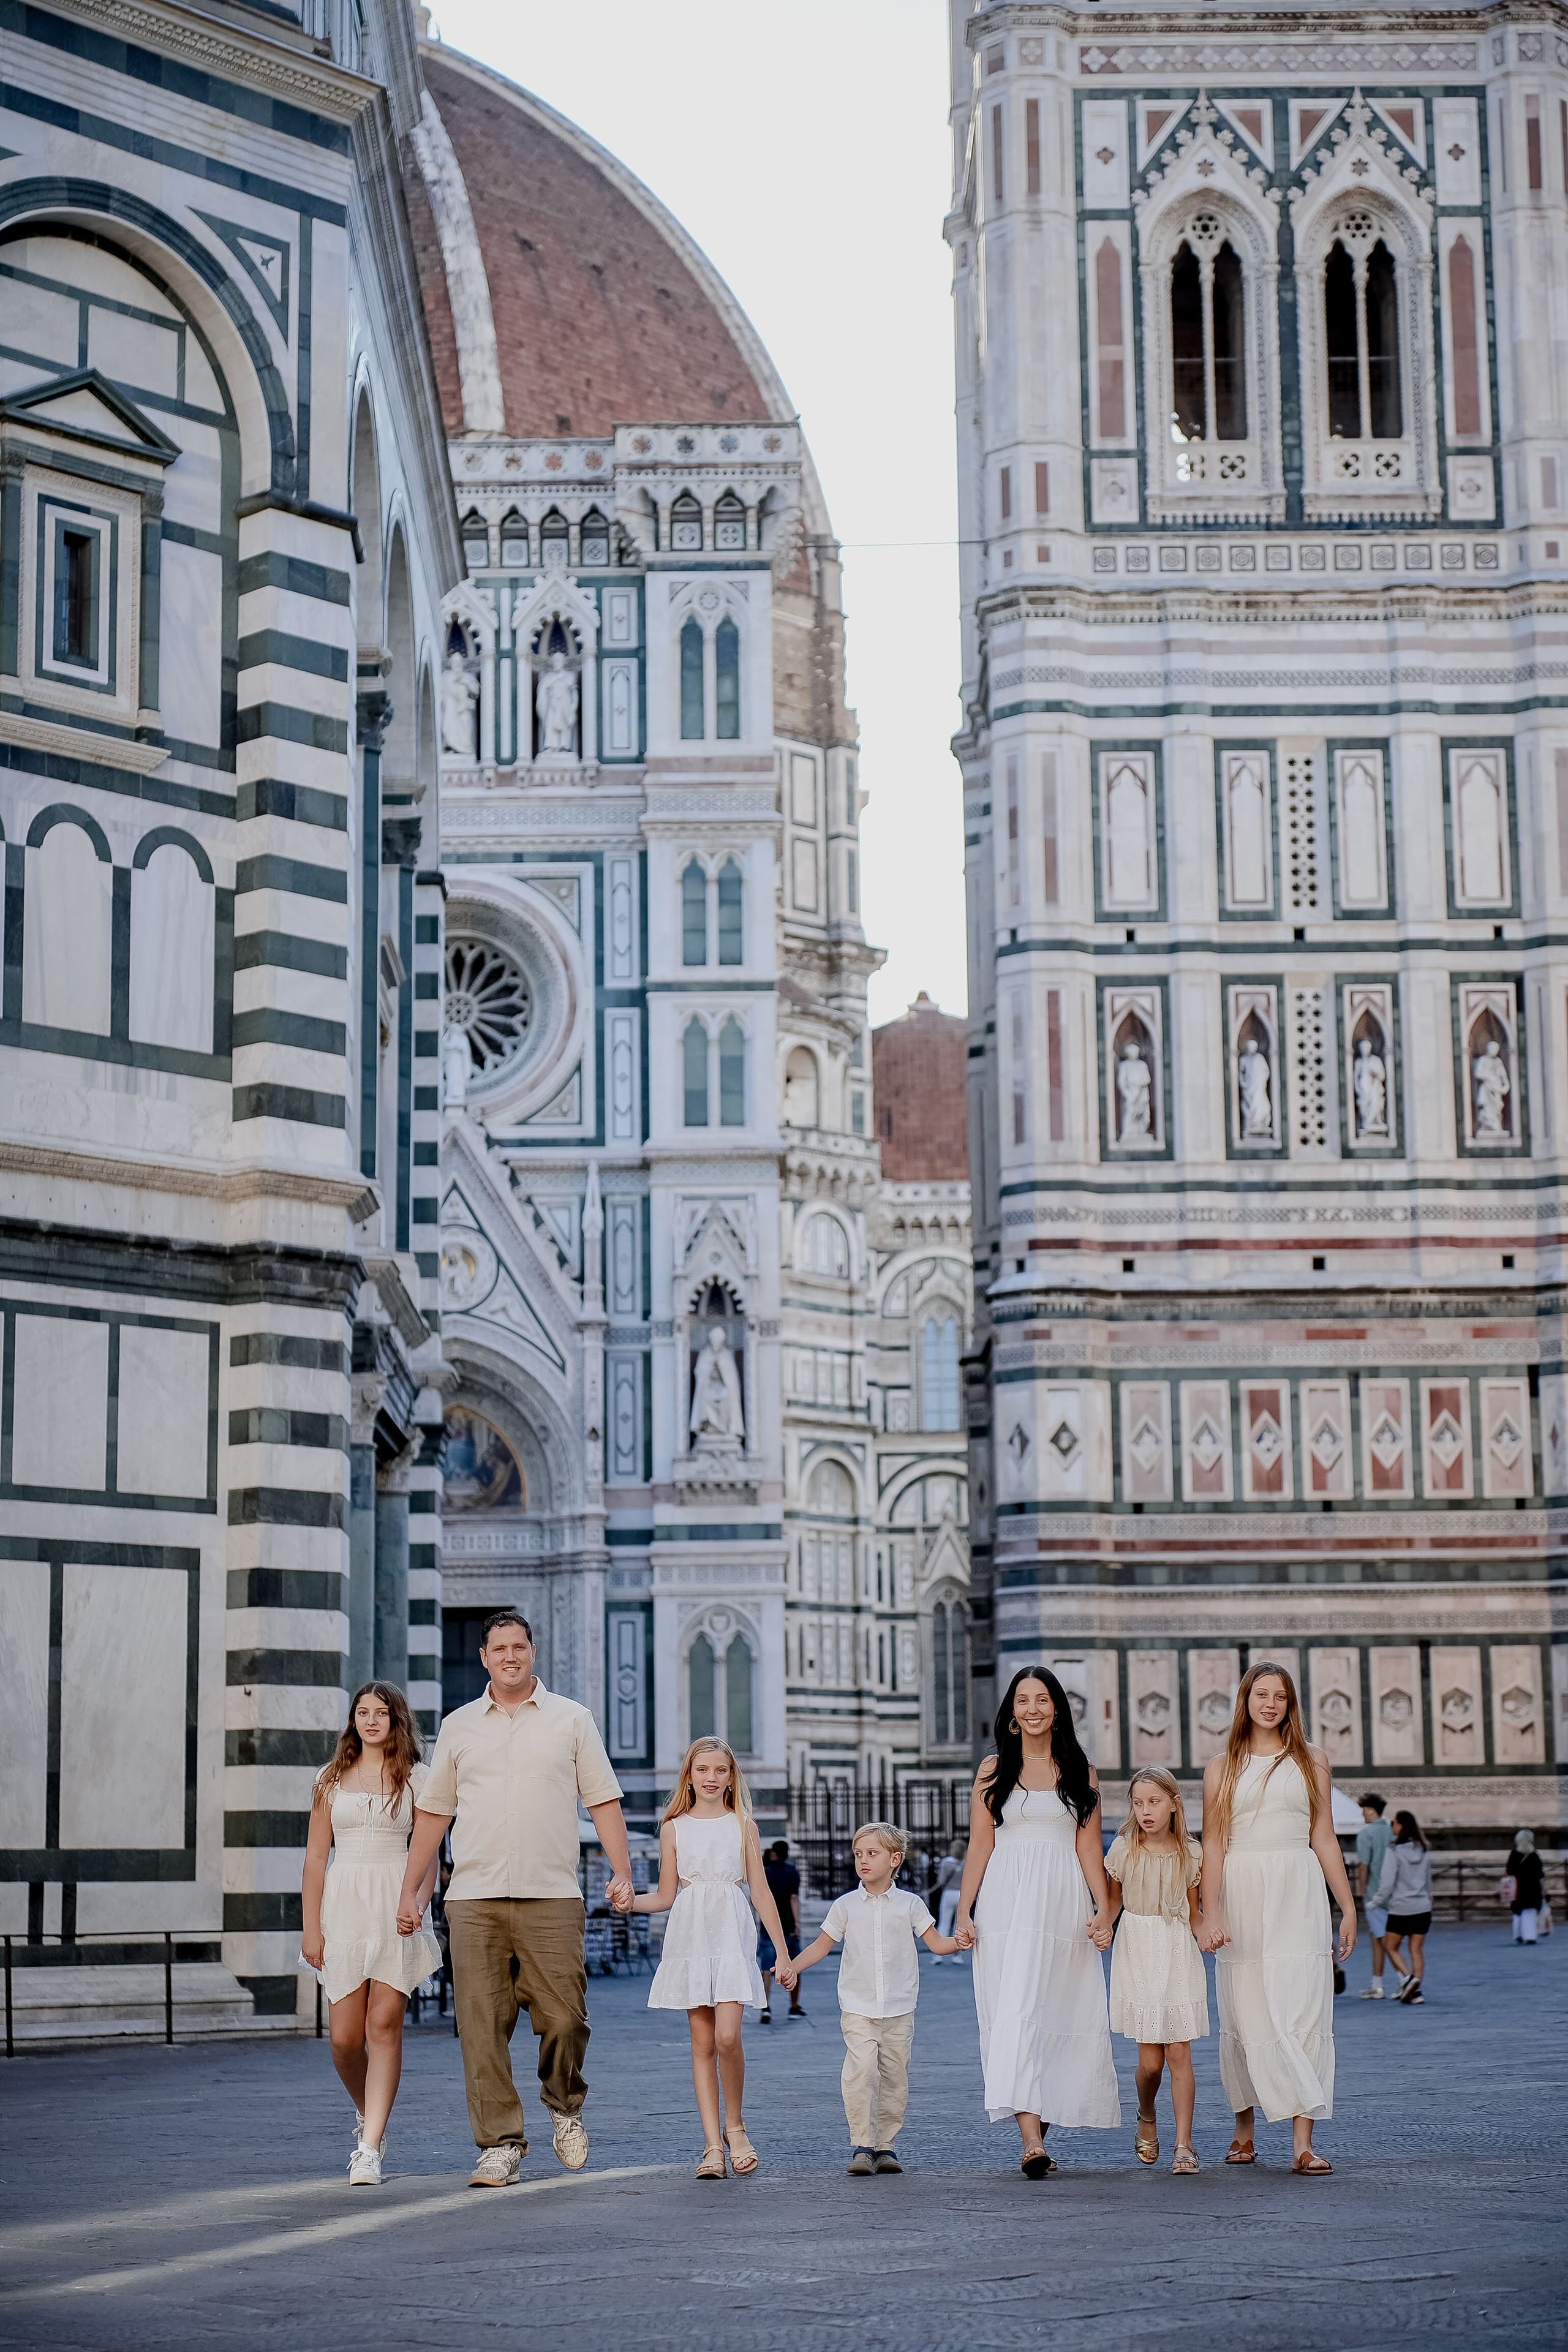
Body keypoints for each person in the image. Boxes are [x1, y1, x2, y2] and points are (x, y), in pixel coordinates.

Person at [395, 1610, 634, 2187]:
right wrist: (410, 1890)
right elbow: (434, 1812)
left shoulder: (572, 1720)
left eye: (519, 1647)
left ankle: (564, 2103)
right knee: (480, 2024)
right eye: (499, 1647)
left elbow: (603, 1800)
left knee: (566, 2018)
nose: (509, 1656)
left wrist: (623, 1873)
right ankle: (500, 2144)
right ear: (484, 1657)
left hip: (552, 1894)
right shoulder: (458, 1727)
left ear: (532, 1652)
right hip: (473, 1898)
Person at [952, 1667, 1120, 2177]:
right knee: (1016, 2010)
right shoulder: (992, 1769)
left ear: (1056, 1709)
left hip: (1064, 1903)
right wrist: (965, 1909)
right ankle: (1030, 2141)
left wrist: (1104, 1909)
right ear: (1011, 1712)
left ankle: (1038, 2122)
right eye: (1023, 1700)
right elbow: (981, 1844)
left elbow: (1089, 1847)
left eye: (1042, 1700)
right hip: (1007, 1900)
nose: (1032, 1709)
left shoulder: (1081, 1771)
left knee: (1058, 2013)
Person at [1198, 1661, 1357, 2176]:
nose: (1271, 1704)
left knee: (1303, 2010)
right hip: (1242, 1887)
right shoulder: (1222, 1767)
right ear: (1245, 1700)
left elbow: (1324, 1836)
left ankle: (1302, 2142)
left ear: (1291, 1705)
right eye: (1262, 1695)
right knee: (1245, 2011)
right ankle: (1244, 2127)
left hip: (1298, 1887)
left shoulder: (1313, 1760)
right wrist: (1210, 1910)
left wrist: (1347, 1906)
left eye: (1281, 1697)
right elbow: (1215, 1843)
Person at [630, 1738, 797, 2178]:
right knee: (702, 2043)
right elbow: (666, 1895)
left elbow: (760, 1892)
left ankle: (735, 2126)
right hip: (690, 1934)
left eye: (720, 1770)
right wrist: (630, 1901)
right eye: (702, 1769)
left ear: (731, 1777)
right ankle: (711, 2147)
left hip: (731, 1932)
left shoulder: (743, 1825)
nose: (710, 1777)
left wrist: (782, 1954)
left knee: (727, 2037)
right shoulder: (673, 1828)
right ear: (689, 1775)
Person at [301, 1683, 441, 2185]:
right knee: (343, 2040)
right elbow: (317, 1857)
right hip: (343, 1908)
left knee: (383, 2027)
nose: (371, 1721)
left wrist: (418, 1904)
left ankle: (370, 2146)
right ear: (353, 1720)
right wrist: (310, 1927)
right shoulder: (330, 1778)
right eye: (363, 1713)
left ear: (396, 1719)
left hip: (395, 1902)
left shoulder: (420, 1778)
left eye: (381, 1713)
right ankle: (371, 2116)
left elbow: (428, 1857)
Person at [793, 1822, 959, 2174]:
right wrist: (792, 1967)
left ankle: (886, 2146)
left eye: (872, 1854)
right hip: (858, 2006)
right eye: (858, 1855)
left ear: (894, 1859)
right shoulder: (845, 1905)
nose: (863, 1861)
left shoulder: (911, 1904)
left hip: (900, 2006)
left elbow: (937, 1944)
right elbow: (822, 1946)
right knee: (862, 2071)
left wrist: (962, 1941)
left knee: (895, 2077)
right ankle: (863, 2145)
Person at [1102, 1767, 1208, 2175]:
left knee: (1179, 2050)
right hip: (1137, 1946)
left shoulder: (1193, 1853)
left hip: (1177, 1947)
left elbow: (1195, 1913)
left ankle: (1185, 2143)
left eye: (1154, 1802)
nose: (1146, 1811)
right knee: (1151, 2062)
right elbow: (1113, 1903)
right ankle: (1146, 2112)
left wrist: (1209, 1932)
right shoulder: (1124, 1849)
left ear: (1174, 1803)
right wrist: (1101, 1924)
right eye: (1138, 1802)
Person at [1374, 1810, 1431, 2004]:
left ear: (1401, 1826)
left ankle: (1408, 1980)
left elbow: (1387, 1882)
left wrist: (1375, 1902)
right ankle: (1416, 1992)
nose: (1392, 1826)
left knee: (1391, 1947)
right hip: (1422, 1907)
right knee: (1416, 1950)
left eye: (1393, 1823)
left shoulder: (1394, 1851)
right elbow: (1428, 1880)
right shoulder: (1423, 1849)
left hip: (1401, 1907)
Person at [758, 1840, 804, 2020]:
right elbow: (794, 1899)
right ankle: (793, 2006)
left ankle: (766, 2007)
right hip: (788, 1926)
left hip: (768, 1926)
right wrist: (797, 1924)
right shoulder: (792, 1872)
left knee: (767, 1969)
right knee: (795, 1966)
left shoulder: (765, 1874)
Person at [1355, 1794, 1395, 1998]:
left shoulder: (1366, 1834)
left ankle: (1406, 1978)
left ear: (1371, 1810)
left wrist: (1361, 1890)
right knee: (1380, 1938)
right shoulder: (1392, 1831)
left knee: (1383, 1939)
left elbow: (1364, 1866)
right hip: (1395, 1893)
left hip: (1374, 1893)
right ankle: (1377, 1983)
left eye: (1363, 1809)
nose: (1362, 1813)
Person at [930, 1839, 967, 1961]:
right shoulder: (965, 1863)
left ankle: (938, 1955)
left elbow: (941, 1881)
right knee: (959, 1925)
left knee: (944, 1923)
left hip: (948, 1893)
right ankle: (957, 1955)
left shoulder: (946, 1862)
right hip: (962, 1894)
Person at [1507, 1829, 1545, 1945]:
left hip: (1518, 1887)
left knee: (1518, 1911)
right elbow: (1540, 1874)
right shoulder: (1534, 1855)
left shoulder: (1514, 1854)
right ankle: (1530, 1936)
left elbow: (1509, 1871)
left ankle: (1518, 1934)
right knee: (1530, 1912)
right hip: (1533, 1887)